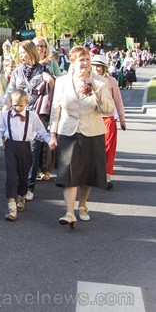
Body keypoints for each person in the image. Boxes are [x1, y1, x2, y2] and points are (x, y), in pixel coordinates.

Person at [49, 46, 114, 228]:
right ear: (73, 62)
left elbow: (108, 109)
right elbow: (56, 109)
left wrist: (96, 91)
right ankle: (69, 212)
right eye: (81, 60)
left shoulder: (100, 82)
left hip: (92, 131)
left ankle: (83, 205)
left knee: (87, 172)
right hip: (68, 131)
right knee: (69, 171)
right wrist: (52, 134)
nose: (85, 63)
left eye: (87, 60)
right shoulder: (62, 82)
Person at [0, 89, 50, 221]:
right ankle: (12, 207)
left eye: (21, 105)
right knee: (11, 176)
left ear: (27, 103)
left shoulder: (32, 116)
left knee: (23, 175)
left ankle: (22, 196)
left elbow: (41, 131)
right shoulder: (5, 115)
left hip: (25, 147)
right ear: (11, 103)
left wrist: (51, 141)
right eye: (15, 105)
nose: (18, 108)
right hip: (10, 147)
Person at [4, 40, 55, 202]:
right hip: (18, 117)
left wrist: (50, 80)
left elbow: (56, 91)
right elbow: (9, 93)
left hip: (36, 117)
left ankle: (29, 186)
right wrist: (4, 113)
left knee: (32, 152)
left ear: (31, 52)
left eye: (23, 52)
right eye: (19, 53)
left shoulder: (44, 70)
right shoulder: (17, 72)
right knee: (20, 154)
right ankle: (20, 184)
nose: (21, 56)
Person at [90, 54, 125, 189]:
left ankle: (107, 177)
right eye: (94, 66)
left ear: (104, 67)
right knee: (94, 149)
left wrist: (122, 118)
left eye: (99, 66)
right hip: (92, 118)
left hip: (108, 118)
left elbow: (118, 100)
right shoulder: (88, 80)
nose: (97, 69)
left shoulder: (111, 81)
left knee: (108, 149)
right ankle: (94, 174)